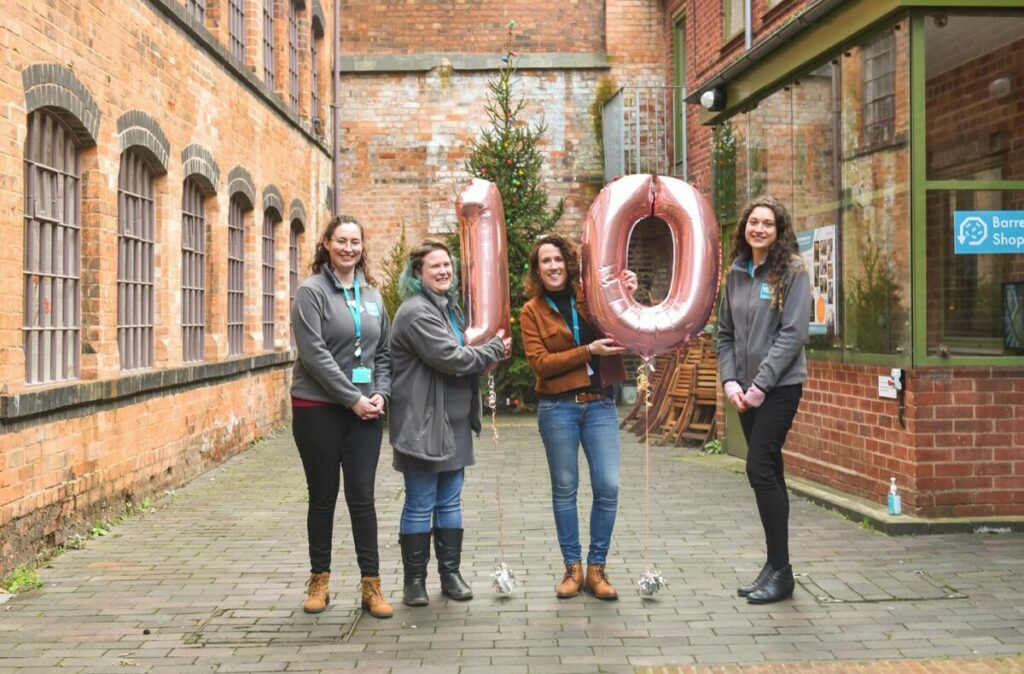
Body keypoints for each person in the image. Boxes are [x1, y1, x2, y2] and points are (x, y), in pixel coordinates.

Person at [389, 239, 508, 607]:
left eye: (447, 266)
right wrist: (493, 351)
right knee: (421, 502)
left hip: (454, 422)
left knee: (450, 502)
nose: (443, 272)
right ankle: (414, 581)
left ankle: (451, 574)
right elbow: (450, 357)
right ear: (417, 274)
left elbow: (464, 353)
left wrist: (480, 355)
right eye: (434, 266)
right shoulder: (415, 312)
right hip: (422, 423)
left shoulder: (450, 310)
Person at [519, 234, 637, 601]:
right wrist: (587, 351)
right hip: (558, 408)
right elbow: (541, 364)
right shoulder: (531, 311)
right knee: (565, 489)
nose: (553, 267)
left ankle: (596, 569)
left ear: (568, 263)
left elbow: (626, 329)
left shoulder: (592, 298)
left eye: (558, 259)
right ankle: (572, 569)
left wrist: (628, 295)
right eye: (545, 261)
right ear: (537, 269)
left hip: (600, 404)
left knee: (608, 486)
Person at [290, 215, 394, 618]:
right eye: (342, 241)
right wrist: (353, 397)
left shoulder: (373, 296)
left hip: (365, 412)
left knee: (362, 497)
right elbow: (314, 355)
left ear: (363, 247)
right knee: (322, 496)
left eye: (356, 242)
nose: (349, 248)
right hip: (317, 409)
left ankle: (372, 585)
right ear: (327, 244)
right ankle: (320, 580)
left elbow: (382, 353)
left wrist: (381, 393)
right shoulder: (311, 292)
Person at [716, 196, 810, 605]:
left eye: (768, 224)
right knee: (771, 471)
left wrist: (760, 386)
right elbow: (723, 335)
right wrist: (731, 383)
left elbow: (793, 334)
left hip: (780, 388)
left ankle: (782, 570)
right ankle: (776, 568)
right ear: (744, 227)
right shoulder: (735, 273)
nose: (759, 229)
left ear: (779, 230)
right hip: (745, 392)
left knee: (758, 469)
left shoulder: (792, 271)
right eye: (753, 222)